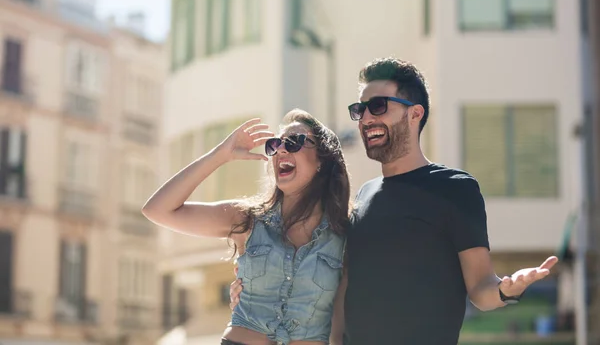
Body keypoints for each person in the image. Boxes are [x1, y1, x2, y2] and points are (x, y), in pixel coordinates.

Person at [231, 58, 559, 344]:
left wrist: (507, 290)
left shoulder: (456, 188)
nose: (365, 118)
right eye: (360, 110)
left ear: (415, 113)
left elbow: (481, 288)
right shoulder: (361, 197)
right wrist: (259, 292)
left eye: (378, 106)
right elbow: (335, 289)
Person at [142, 109, 351, 345]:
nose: (280, 149)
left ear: (323, 158)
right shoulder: (247, 218)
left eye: (294, 142)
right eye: (274, 145)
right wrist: (220, 155)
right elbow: (157, 210)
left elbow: (344, 319)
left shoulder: (344, 234)